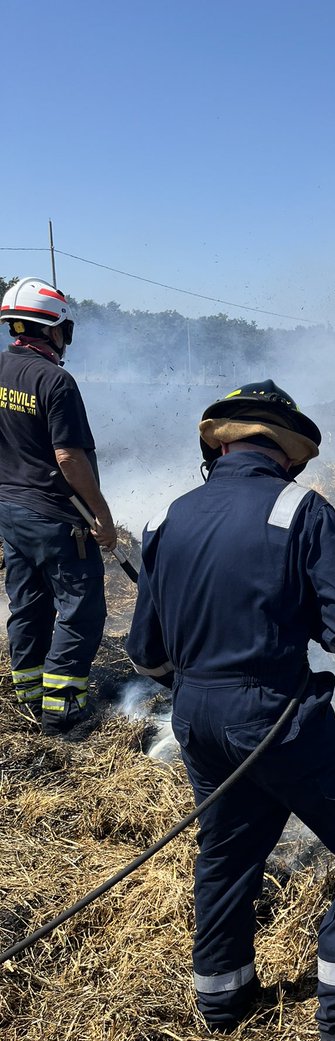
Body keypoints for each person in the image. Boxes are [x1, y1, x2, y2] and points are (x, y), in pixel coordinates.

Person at [125, 380, 335, 1041]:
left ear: (222, 442)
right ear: (287, 451)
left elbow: (145, 653)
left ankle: (222, 998)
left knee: (229, 849)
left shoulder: (165, 518)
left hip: (195, 715)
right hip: (269, 711)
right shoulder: (302, 510)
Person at [0, 277, 117, 736]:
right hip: (56, 517)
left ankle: (27, 691)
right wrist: (103, 519)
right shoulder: (56, 381)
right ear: (52, 329)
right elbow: (69, 457)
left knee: (27, 601)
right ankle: (63, 710)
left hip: (11, 510)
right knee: (79, 608)